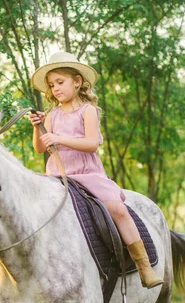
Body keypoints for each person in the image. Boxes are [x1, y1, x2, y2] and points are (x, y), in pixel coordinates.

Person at [29, 51, 163, 289]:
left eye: (60, 82)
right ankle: (18, 272)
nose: (55, 88)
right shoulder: (52, 115)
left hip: (87, 174)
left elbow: (92, 143)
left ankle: (143, 265)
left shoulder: (87, 111)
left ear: (77, 81)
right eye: (52, 85)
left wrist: (59, 137)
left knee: (117, 209)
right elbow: (40, 148)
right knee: (31, 212)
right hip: (57, 177)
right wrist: (37, 127)